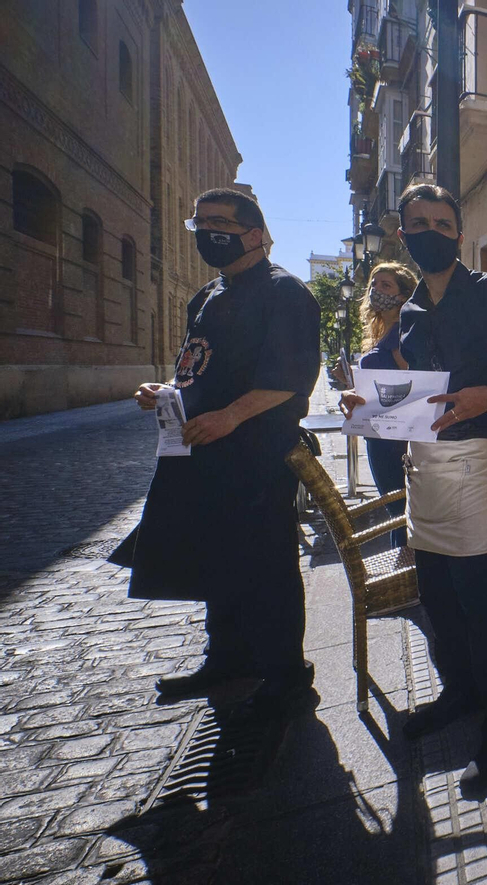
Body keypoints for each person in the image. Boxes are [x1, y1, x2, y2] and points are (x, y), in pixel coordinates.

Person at [340, 183, 487, 796]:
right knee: (437, 590)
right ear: (403, 236)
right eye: (418, 223)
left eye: (442, 221)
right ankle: (462, 691)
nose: (431, 230)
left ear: (459, 233)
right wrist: (369, 404)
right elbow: (414, 393)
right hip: (422, 466)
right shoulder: (408, 314)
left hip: (476, 459)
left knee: (483, 594)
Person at [124, 188, 321, 715]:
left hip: (258, 456)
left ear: (253, 234)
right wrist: (166, 392)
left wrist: (232, 415)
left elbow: (291, 377)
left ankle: (286, 673)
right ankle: (227, 658)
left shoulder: (286, 294)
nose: (208, 231)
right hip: (202, 454)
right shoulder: (206, 296)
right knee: (219, 560)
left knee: (268, 564)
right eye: (200, 222)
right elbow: (199, 368)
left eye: (220, 222)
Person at [355, 261, 419, 551]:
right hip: (379, 432)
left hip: (393, 439)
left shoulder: (402, 336)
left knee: (398, 511)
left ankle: (408, 578)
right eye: (373, 284)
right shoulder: (385, 332)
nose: (376, 290)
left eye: (386, 285)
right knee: (396, 510)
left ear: (403, 296)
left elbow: (414, 384)